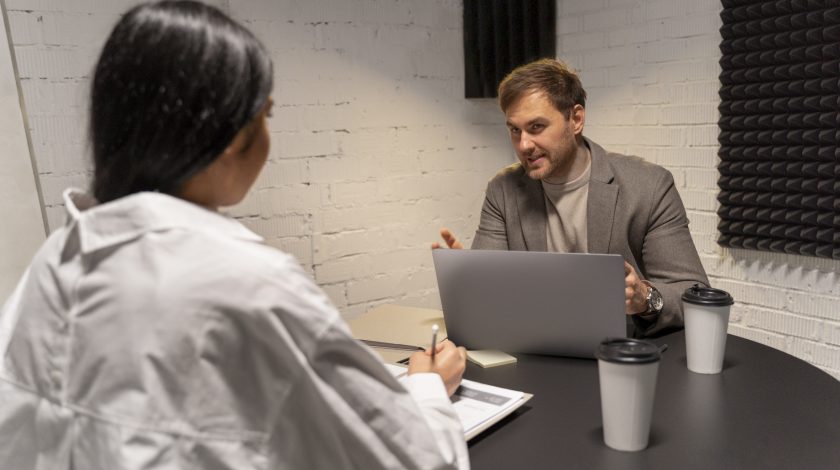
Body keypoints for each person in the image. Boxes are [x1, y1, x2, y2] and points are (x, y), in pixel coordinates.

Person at [0, 2, 469, 469]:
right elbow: (414, 459)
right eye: (264, 116)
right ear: (224, 134)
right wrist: (428, 386)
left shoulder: (53, 261)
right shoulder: (246, 283)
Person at [434, 58, 708, 338]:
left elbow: (693, 294)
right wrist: (470, 283)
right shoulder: (502, 190)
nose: (524, 144)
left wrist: (644, 298)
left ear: (576, 119)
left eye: (537, 127)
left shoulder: (648, 186)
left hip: (620, 357)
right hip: (536, 352)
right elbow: (492, 300)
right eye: (515, 130)